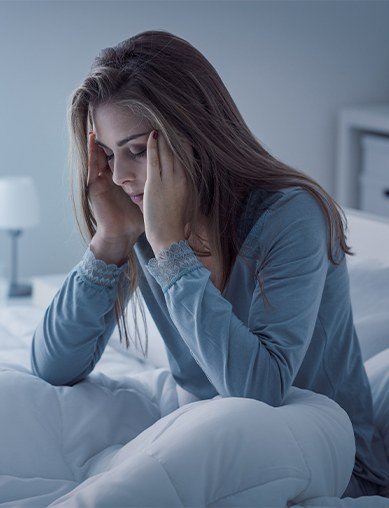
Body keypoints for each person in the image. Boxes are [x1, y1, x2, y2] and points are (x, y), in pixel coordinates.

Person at [31, 29, 389, 502]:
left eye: (138, 151)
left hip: (333, 457)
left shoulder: (291, 216)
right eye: (110, 156)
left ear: (195, 133)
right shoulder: (139, 216)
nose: (119, 177)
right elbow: (52, 367)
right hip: (206, 438)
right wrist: (111, 238)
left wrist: (169, 248)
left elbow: (258, 395)